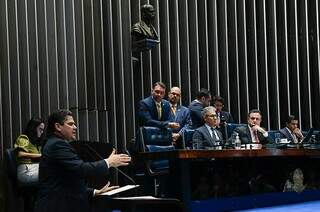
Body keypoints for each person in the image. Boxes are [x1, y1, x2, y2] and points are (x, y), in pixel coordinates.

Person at [34, 110, 131, 212]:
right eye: (70, 124)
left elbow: (66, 181)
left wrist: (94, 192)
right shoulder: (57, 145)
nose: (75, 127)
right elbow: (81, 169)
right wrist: (108, 162)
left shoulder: (55, 143)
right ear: (58, 126)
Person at [14, 118, 44, 185]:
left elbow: (33, 159)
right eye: (40, 129)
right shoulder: (23, 138)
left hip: (34, 168)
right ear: (33, 128)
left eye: (43, 130)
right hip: (26, 171)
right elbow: (20, 154)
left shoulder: (36, 144)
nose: (42, 132)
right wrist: (41, 156)